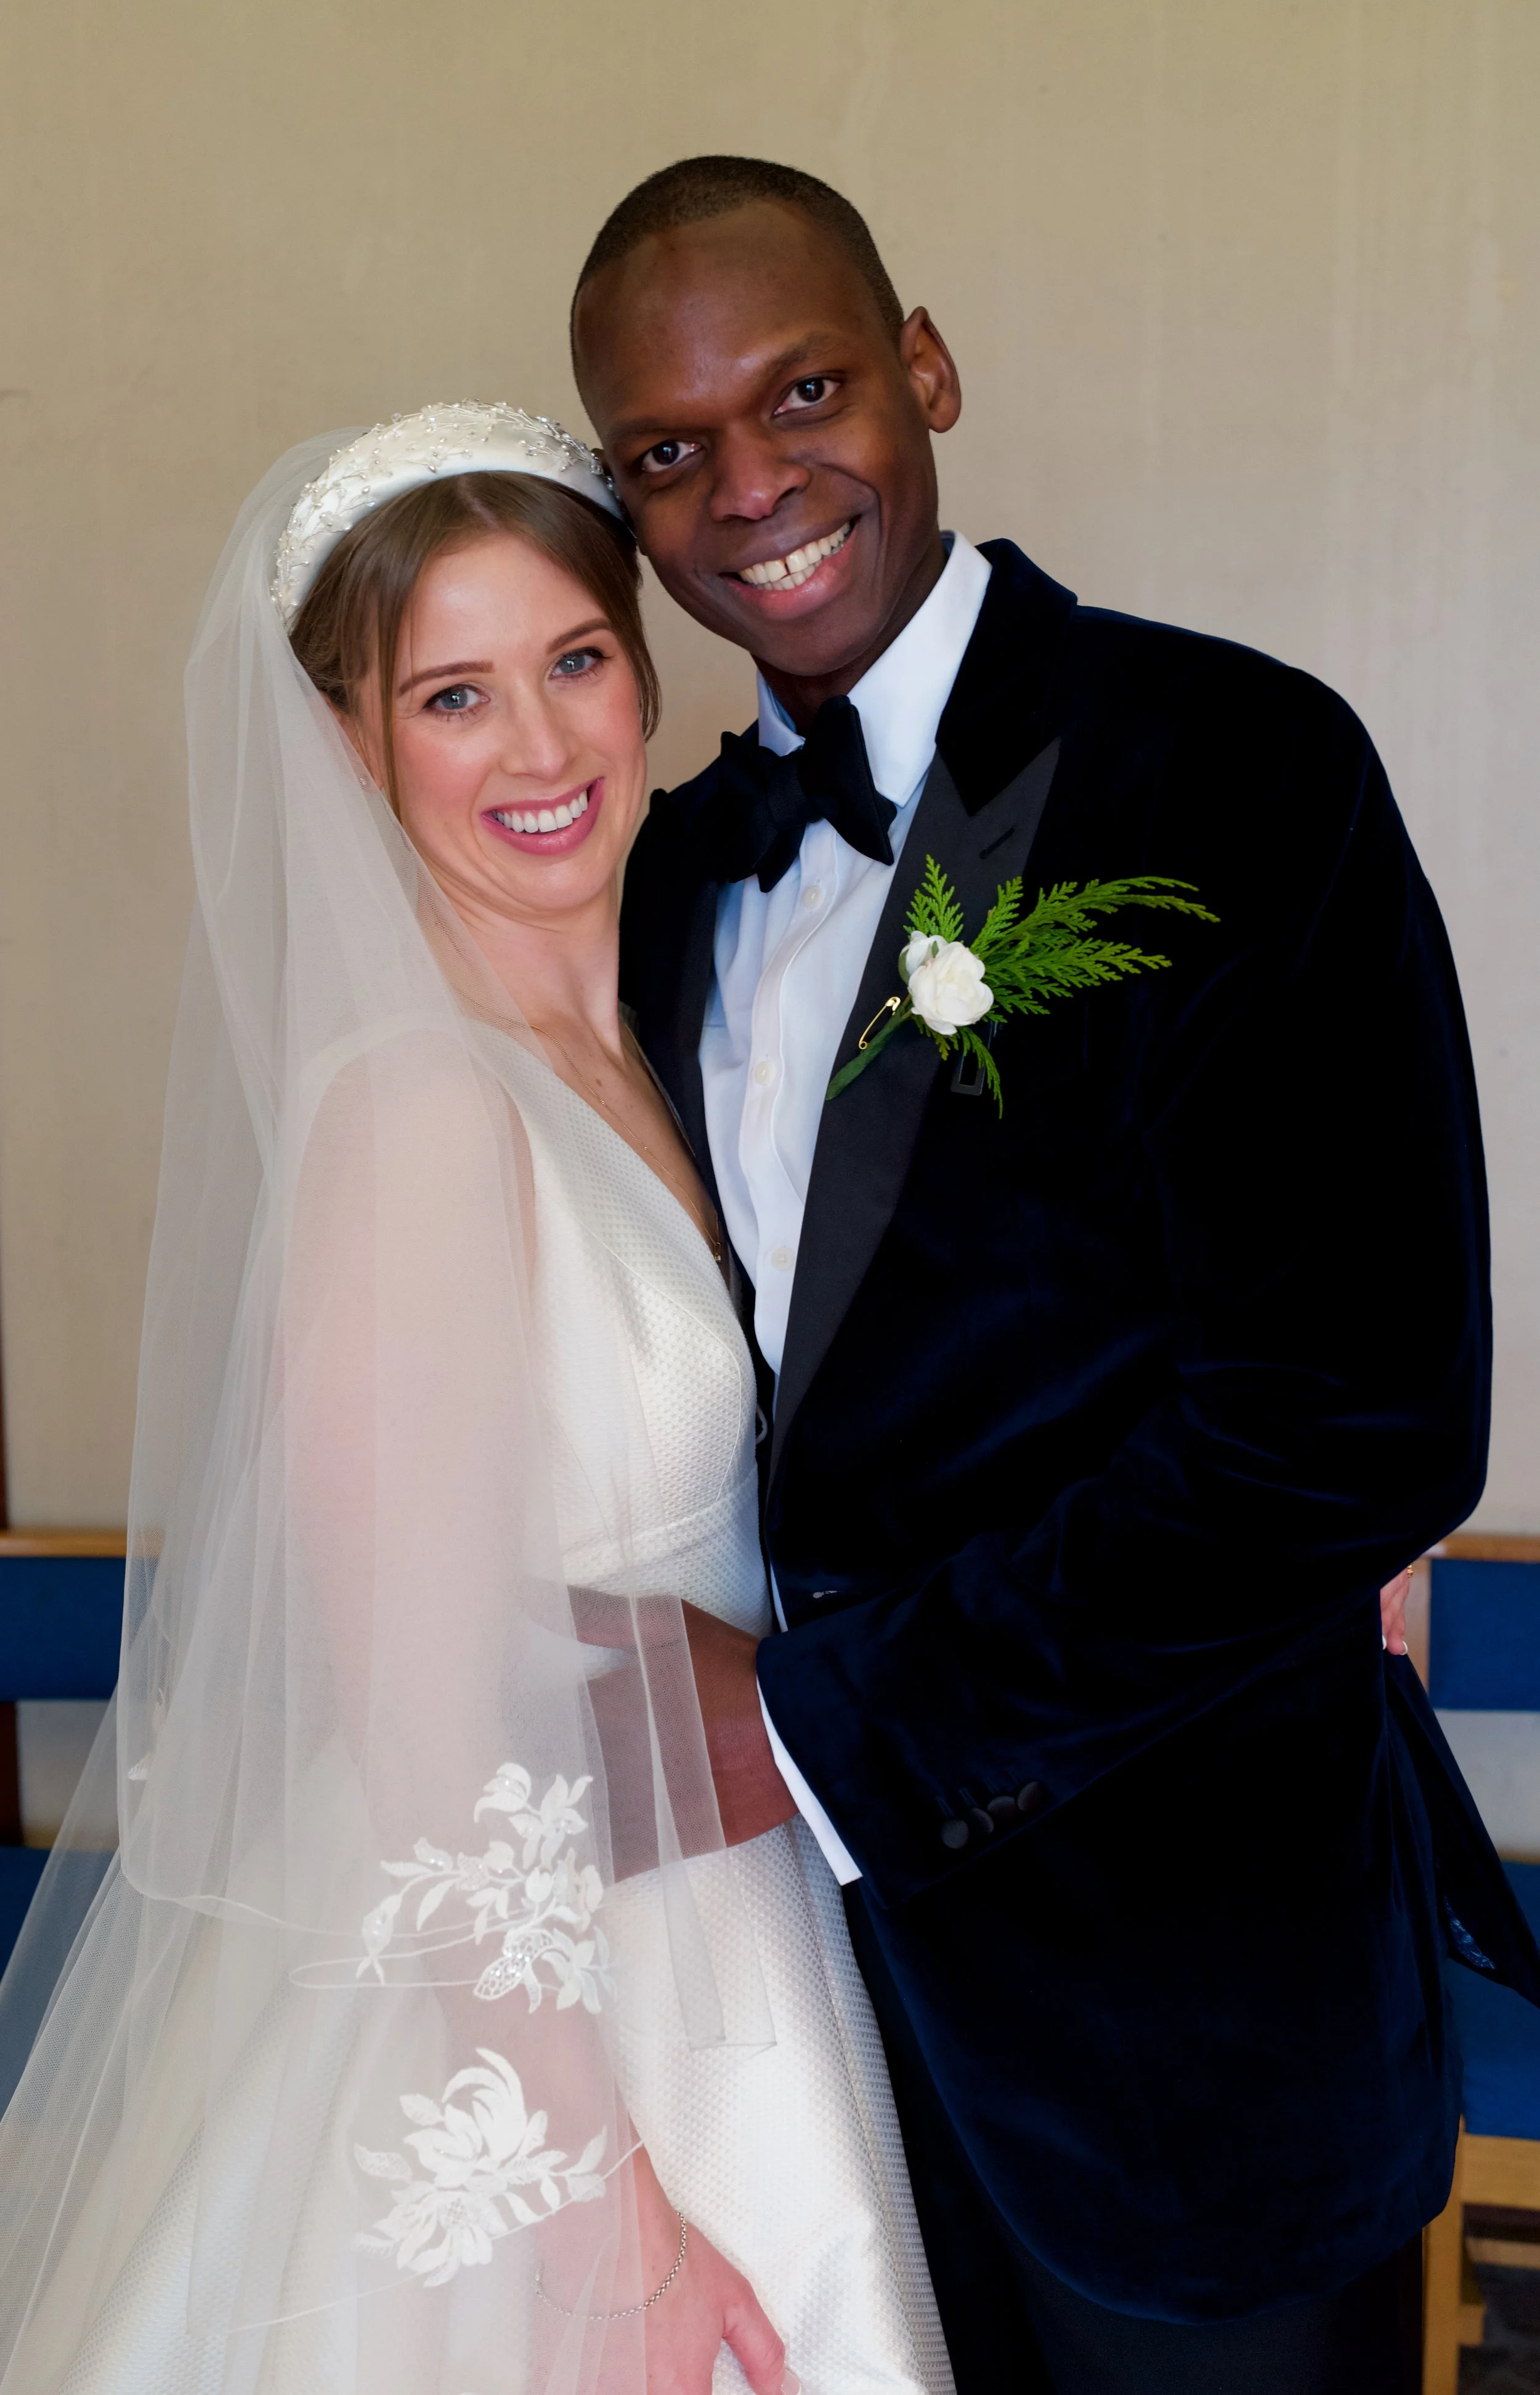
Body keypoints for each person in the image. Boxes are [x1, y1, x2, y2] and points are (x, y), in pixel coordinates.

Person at [573, 156, 1540, 2394]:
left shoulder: (1232, 769)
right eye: (667, 449)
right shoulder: (663, 875)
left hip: (1183, 2028)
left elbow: (1357, 1420)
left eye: (800, 390)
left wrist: (812, 1731)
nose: (750, 486)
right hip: (791, 2037)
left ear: (923, 370)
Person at [0, 406, 954, 2394]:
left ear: (641, 665)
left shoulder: (651, 1045)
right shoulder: (422, 1109)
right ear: (347, 743)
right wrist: (605, 2221)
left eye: (573, 658)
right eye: (452, 693)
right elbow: (421, 1720)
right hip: (546, 2013)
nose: (537, 744)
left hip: (728, 1886)